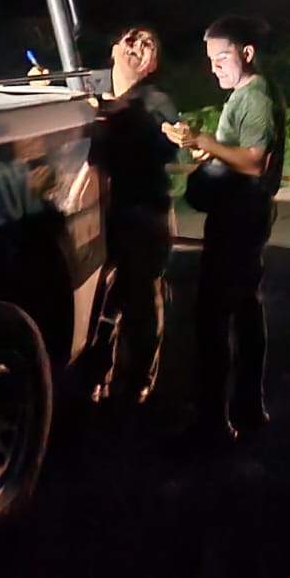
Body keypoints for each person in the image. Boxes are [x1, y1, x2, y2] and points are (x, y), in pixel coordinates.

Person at [163, 14, 285, 445]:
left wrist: (202, 141)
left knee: (213, 317)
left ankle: (213, 421)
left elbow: (253, 161)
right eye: (210, 60)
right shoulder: (245, 96)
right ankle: (249, 410)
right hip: (242, 215)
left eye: (223, 57)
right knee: (245, 312)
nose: (214, 67)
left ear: (247, 53)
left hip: (240, 218)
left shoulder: (256, 98)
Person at [90, 27, 179, 409]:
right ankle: (99, 380)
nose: (136, 47)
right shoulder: (94, 92)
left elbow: (166, 138)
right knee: (102, 303)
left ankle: (138, 383)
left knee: (141, 300)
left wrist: (110, 111)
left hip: (145, 214)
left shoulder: (156, 101)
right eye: (130, 40)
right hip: (101, 214)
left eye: (147, 45)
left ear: (152, 63)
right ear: (112, 49)